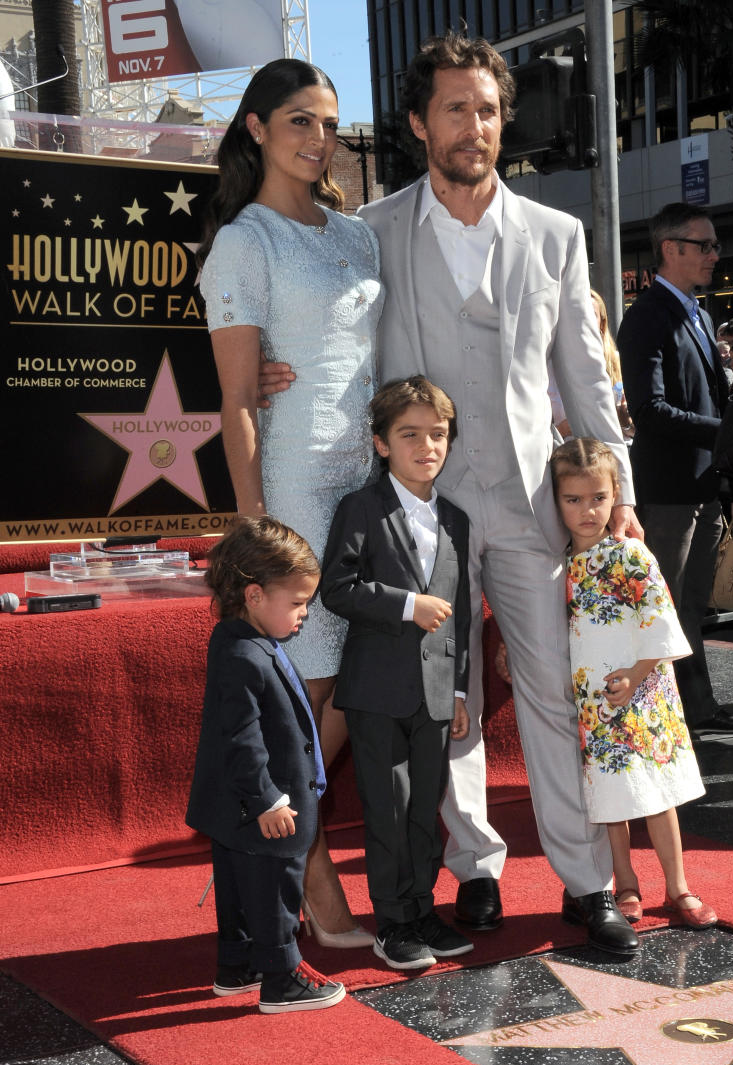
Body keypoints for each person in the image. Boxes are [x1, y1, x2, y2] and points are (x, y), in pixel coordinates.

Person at [260, 33, 640, 954]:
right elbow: (327, 328)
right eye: (456, 108)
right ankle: (476, 867)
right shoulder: (369, 231)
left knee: (550, 687)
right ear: (419, 122)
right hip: (409, 515)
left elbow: (585, 382)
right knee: (443, 700)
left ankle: (586, 883)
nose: (475, 126)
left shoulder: (558, 237)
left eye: (488, 109)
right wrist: (276, 369)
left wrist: (617, 493)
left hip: (524, 504)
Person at [197, 59, 382, 946]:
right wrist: (252, 527)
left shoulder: (358, 236)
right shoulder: (244, 242)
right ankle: (307, 868)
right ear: (257, 128)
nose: (318, 140)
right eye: (299, 121)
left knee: (365, 671)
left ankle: (286, 840)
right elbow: (236, 396)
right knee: (306, 692)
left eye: (329, 124)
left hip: (371, 486)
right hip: (296, 487)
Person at [320, 377, 473, 971]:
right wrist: (407, 605)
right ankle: (392, 921)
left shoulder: (456, 518)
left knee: (424, 809)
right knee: (386, 807)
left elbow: (460, 611)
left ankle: (422, 909)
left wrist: (460, 688)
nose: (427, 446)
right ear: (381, 444)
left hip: (436, 694)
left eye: (438, 435)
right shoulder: (361, 507)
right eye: (410, 435)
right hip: (377, 689)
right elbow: (337, 587)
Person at [552, 438, 718, 929]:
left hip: (644, 692)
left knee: (656, 792)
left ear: (616, 493)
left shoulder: (630, 554)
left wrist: (636, 675)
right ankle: (623, 883)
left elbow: (661, 621)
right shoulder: (555, 563)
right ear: (555, 500)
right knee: (608, 795)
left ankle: (678, 885)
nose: (587, 511)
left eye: (598, 498)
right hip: (592, 698)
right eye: (573, 500)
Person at [186, 516, 347, 1014]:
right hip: (261, 806)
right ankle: (282, 978)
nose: (303, 614)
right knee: (275, 888)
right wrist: (268, 799)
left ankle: (238, 966)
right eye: (297, 603)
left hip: (232, 809)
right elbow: (241, 738)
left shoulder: (237, 641)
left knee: (236, 888)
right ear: (254, 595)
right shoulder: (245, 655)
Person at [617, 202, 733, 737]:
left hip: (703, 487)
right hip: (668, 490)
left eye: (715, 244)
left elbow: (715, 402)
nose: (714, 254)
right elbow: (650, 409)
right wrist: (724, 432)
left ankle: (693, 710)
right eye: (704, 245)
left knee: (691, 604)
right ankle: (664, 715)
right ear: (671, 249)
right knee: (665, 606)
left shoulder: (700, 316)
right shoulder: (646, 316)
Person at [591, 289, 634, 440]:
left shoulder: (616, 361)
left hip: (613, 451)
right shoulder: (554, 363)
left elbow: (633, 431)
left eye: (591, 316)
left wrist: (625, 420)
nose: (583, 323)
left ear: (602, 323)